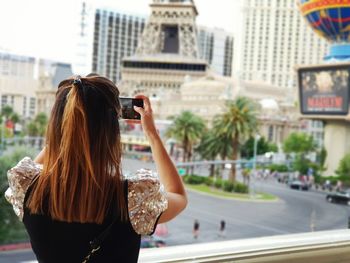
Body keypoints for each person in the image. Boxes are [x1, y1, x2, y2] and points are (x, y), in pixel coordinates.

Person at [4, 74, 187, 263]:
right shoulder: (134, 198)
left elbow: (40, 165)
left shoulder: (26, 188)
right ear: (111, 134)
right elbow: (179, 196)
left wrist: (67, 133)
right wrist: (152, 134)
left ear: (57, 124)